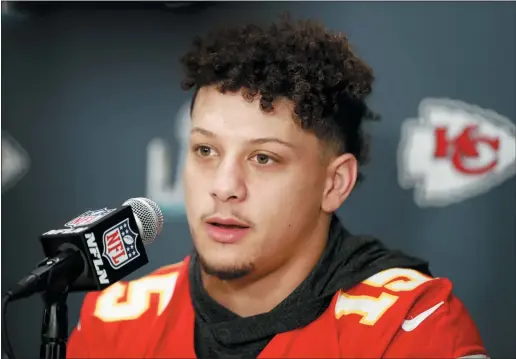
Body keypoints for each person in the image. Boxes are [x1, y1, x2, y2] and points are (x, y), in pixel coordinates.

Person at [67, 15, 487, 359]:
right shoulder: (117, 319)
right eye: (205, 150)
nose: (224, 187)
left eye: (263, 158)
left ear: (334, 183)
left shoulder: (409, 325)